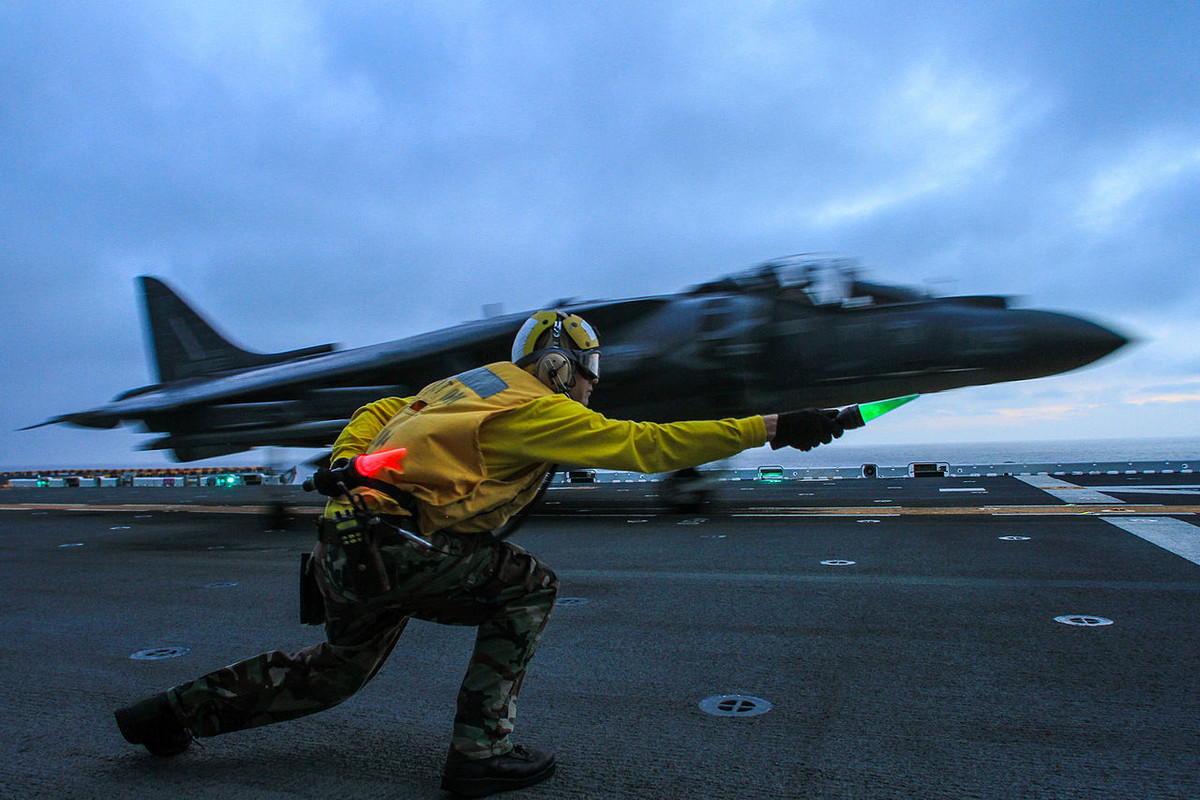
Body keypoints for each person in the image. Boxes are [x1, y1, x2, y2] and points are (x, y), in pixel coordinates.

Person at [114, 309, 847, 797]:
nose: (594, 384)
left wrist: (344, 456)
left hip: (349, 542)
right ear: (561, 363)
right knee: (529, 587)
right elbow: (646, 446)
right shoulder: (538, 408)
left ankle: (167, 712)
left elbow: (376, 412)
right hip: (402, 547)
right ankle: (480, 752)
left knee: (333, 675)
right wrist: (772, 425)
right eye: (589, 369)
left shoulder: (463, 386)